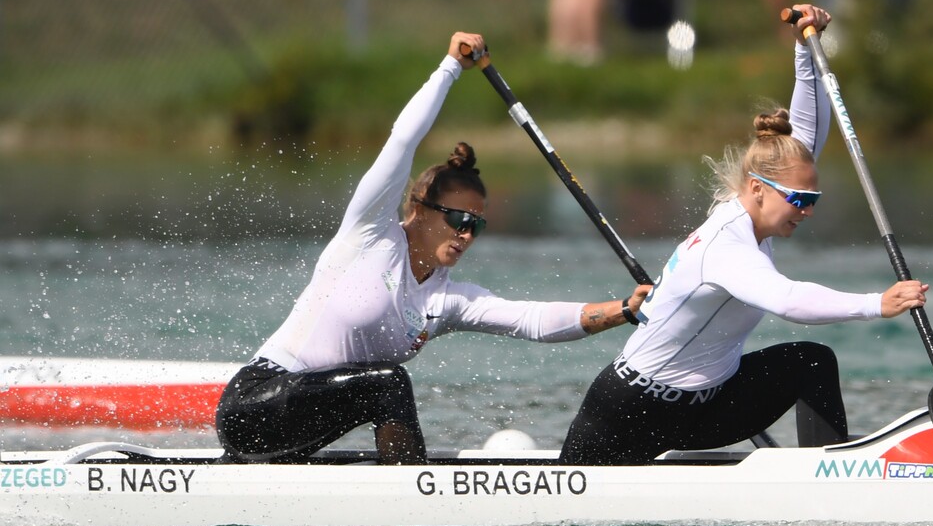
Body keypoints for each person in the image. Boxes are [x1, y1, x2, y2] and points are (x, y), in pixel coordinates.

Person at [216, 32, 650, 465]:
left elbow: (532, 319)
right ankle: (413, 498)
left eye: (477, 226)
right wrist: (449, 69)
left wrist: (625, 310)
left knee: (383, 387)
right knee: (389, 385)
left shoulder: (446, 300)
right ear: (419, 210)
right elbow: (402, 142)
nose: (466, 235)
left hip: (303, 424)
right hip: (254, 404)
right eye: (459, 220)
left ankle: (401, 489)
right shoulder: (369, 234)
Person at [559, 4, 928, 465]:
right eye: (801, 201)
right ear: (758, 189)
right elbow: (788, 301)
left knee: (811, 363)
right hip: (633, 410)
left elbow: (804, 138)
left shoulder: (763, 208)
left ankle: (827, 476)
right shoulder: (727, 245)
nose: (807, 211)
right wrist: (878, 303)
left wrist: (804, 50)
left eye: (813, 201)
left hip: (710, 405)